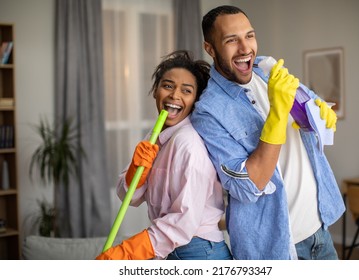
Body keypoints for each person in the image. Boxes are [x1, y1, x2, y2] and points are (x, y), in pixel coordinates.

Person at [190, 5, 345, 260]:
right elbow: (249, 186)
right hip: (276, 248)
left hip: (320, 229)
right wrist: (277, 113)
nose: (245, 48)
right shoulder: (208, 112)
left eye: (249, 36)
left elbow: (308, 111)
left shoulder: (266, 68)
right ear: (210, 48)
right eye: (231, 40)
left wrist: (318, 111)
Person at [96, 50, 232, 260]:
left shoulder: (188, 143)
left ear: (195, 100)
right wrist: (135, 173)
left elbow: (183, 222)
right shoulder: (156, 136)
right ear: (155, 91)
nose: (174, 95)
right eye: (168, 86)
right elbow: (128, 197)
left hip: (198, 251)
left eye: (186, 91)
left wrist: (126, 253)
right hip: (173, 247)